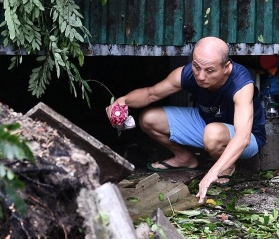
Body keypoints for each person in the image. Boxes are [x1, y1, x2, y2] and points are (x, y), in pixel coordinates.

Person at [106, 37, 266, 203]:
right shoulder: (189, 73)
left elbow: (243, 137)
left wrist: (212, 172)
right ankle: (184, 158)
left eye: (209, 71)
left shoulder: (241, 83)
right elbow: (151, 93)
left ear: (226, 68)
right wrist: (122, 101)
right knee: (148, 119)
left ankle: (227, 166)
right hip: (207, 122)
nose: (201, 76)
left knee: (213, 133)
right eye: (196, 66)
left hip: (248, 137)